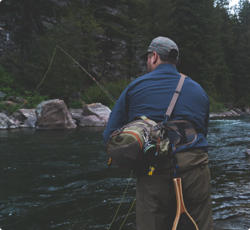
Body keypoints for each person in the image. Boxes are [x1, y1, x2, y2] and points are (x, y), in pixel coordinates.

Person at [103, 36, 213, 230]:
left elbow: (110, 136)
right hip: (194, 167)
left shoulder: (134, 87)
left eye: (148, 58)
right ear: (175, 61)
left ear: (153, 57)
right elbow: (203, 131)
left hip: (152, 168)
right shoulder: (198, 90)